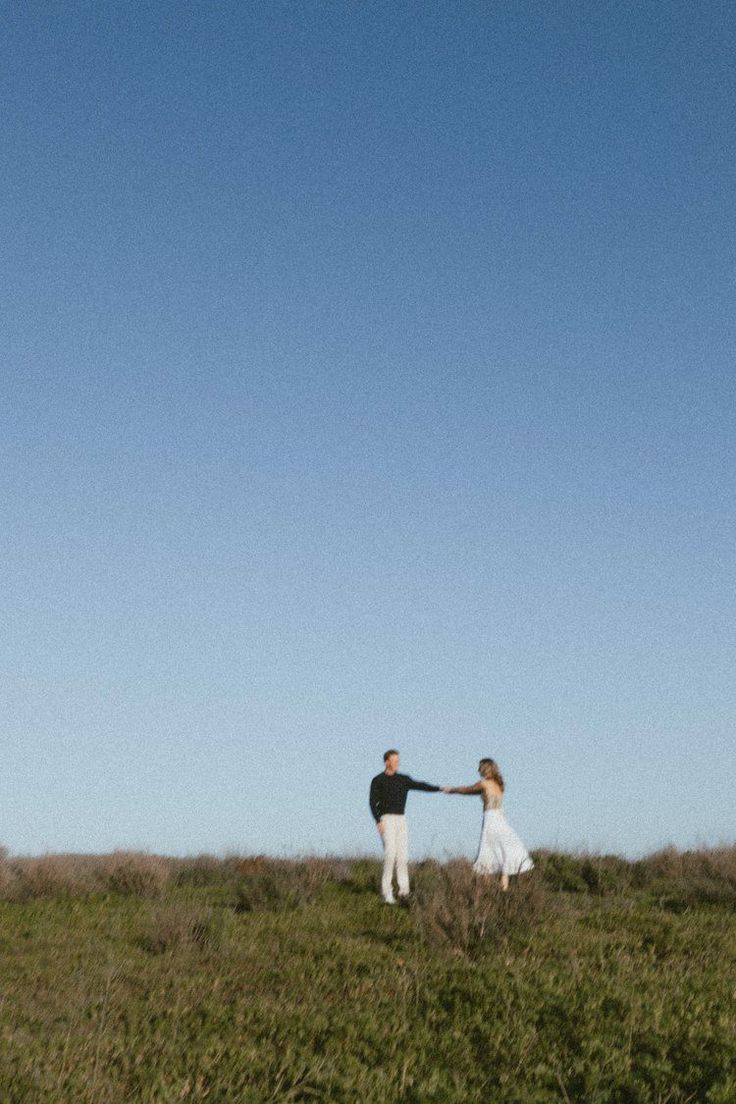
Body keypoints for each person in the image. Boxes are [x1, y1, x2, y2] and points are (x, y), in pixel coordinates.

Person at [442, 758, 533, 890]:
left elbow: (467, 790)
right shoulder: (499, 784)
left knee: (487, 852)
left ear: (485, 768)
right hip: (501, 818)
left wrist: (451, 790)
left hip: (491, 818)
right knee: (503, 856)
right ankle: (503, 890)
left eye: (480, 767)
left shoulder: (484, 783)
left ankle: (487, 890)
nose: (478, 770)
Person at [369, 749, 441, 904]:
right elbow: (372, 802)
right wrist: (378, 821)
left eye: (398, 761)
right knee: (390, 855)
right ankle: (387, 892)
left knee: (402, 856)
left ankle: (404, 891)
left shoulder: (403, 779)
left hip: (401, 820)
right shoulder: (378, 780)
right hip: (386, 819)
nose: (397, 763)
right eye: (394, 761)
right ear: (386, 762)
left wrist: (439, 788)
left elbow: (420, 785)